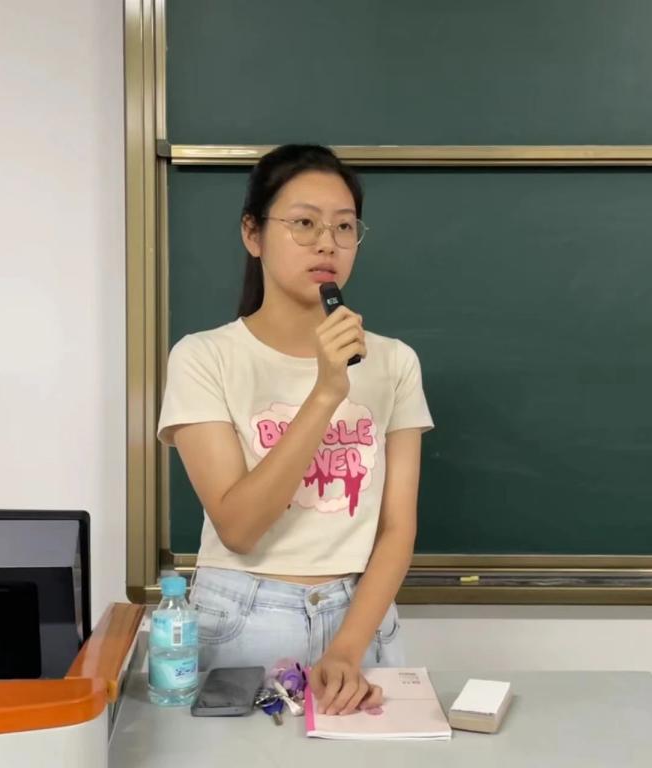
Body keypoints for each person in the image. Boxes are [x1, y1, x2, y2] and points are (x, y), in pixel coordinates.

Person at [157, 144, 433, 716]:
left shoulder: (395, 362)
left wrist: (348, 648)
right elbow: (238, 526)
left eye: (344, 227)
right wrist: (327, 391)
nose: (327, 243)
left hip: (362, 617)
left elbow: (397, 529)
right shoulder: (203, 357)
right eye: (304, 223)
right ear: (252, 234)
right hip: (244, 615)